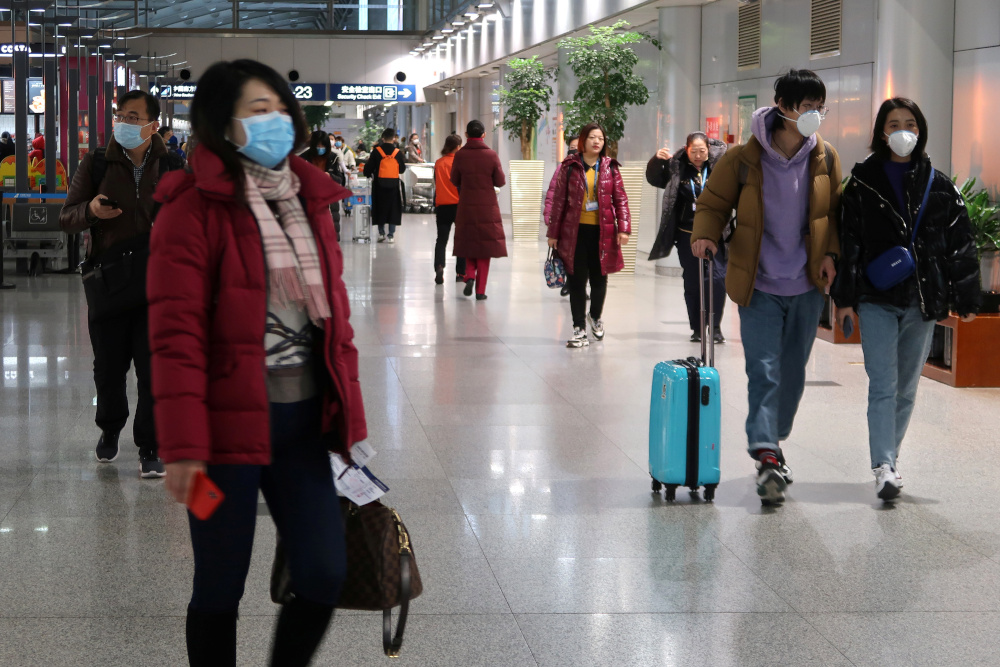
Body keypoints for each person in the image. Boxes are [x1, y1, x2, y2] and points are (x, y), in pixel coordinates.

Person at [147, 58, 365, 666]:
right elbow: (175, 338)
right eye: (257, 109)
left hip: (301, 427)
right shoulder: (190, 212)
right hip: (221, 435)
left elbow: (335, 325)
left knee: (324, 573)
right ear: (222, 123)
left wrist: (352, 420)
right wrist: (184, 447)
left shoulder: (311, 201)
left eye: (279, 107)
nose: (275, 119)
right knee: (218, 588)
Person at [691, 69, 841, 505]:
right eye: (806, 107)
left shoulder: (825, 157)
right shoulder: (743, 157)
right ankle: (766, 454)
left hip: (806, 285)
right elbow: (713, 203)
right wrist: (705, 232)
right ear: (782, 106)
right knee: (764, 370)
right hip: (757, 282)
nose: (814, 115)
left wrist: (830, 254)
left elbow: (833, 214)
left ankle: (773, 442)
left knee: (792, 375)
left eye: (819, 107)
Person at [831, 98, 980, 501]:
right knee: (883, 383)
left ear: (920, 130)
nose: (903, 131)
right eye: (894, 123)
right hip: (876, 297)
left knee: (907, 388)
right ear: (882, 131)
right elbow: (849, 242)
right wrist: (844, 298)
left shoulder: (938, 182)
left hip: (922, 299)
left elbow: (960, 242)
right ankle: (883, 463)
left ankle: (889, 462)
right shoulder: (862, 182)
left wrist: (966, 297)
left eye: (910, 123)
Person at [59, 89, 183, 478]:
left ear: (153, 125)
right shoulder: (96, 161)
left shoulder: (172, 164)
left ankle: (150, 445)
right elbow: (67, 216)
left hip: (157, 284)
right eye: (120, 116)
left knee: (153, 370)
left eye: (133, 117)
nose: (124, 123)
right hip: (110, 281)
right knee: (109, 369)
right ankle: (109, 429)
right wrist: (92, 212)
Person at [547, 123, 631, 347]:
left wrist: (623, 228)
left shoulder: (610, 167)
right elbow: (558, 202)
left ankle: (595, 317)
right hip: (574, 232)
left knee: (599, 277)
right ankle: (578, 328)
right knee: (576, 280)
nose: (597, 141)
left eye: (601, 138)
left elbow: (621, 199)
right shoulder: (570, 167)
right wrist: (553, 232)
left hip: (603, 231)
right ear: (583, 141)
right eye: (592, 137)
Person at [646, 132, 728, 343]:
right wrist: (657, 161)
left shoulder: (720, 166)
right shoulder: (677, 166)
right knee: (693, 282)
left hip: (715, 233)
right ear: (687, 149)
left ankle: (716, 326)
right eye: (694, 152)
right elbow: (655, 179)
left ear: (708, 150)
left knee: (718, 280)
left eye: (702, 151)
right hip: (687, 235)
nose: (698, 156)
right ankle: (698, 328)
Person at [451, 119, 506, 300]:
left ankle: (469, 275)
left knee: (469, 244)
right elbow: (500, 181)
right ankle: (480, 291)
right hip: (487, 207)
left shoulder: (460, 155)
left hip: (466, 205)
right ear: (483, 134)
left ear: (466, 135)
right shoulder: (491, 155)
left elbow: (454, 180)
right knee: (484, 249)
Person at [544, 136, 580, 296]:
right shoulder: (562, 168)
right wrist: (549, 218)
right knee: (566, 254)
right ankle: (569, 282)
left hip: (582, 220)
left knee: (581, 256)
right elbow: (551, 194)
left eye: (578, 147)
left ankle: (577, 286)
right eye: (572, 147)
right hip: (565, 221)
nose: (575, 150)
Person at [433, 133, 466, 285]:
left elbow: (436, 182)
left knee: (441, 240)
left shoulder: (439, 163)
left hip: (443, 206)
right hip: (460, 206)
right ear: (458, 147)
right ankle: (460, 273)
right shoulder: (461, 163)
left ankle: (439, 267)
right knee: (460, 240)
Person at [363, 127, 406, 243]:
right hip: (393, 185)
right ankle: (391, 235)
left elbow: (368, 169)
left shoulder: (376, 151)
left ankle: (381, 233)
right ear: (394, 139)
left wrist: (369, 173)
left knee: (379, 207)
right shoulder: (397, 153)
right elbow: (402, 169)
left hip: (379, 185)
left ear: (383, 138)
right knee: (393, 208)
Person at [302, 130, 346, 241]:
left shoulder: (333, 157)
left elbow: (340, 179)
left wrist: (330, 176)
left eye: (323, 146)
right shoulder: (304, 158)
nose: (320, 148)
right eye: (318, 146)